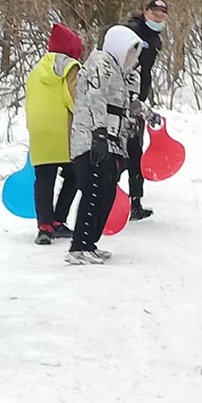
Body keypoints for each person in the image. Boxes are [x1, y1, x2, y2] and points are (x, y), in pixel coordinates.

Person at [66, 25, 152, 265]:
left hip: (112, 142)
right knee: (94, 191)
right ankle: (78, 246)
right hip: (92, 139)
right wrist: (100, 134)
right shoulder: (99, 65)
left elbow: (125, 105)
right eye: (130, 51)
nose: (132, 57)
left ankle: (90, 243)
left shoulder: (117, 72)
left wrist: (146, 114)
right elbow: (95, 100)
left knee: (106, 192)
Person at [25, 23, 83, 245]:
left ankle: (44, 226)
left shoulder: (36, 70)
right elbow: (74, 98)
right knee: (75, 175)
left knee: (44, 178)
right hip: (64, 130)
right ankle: (59, 219)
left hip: (39, 130)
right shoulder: (71, 67)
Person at [124, 0, 167, 220]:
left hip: (140, 95)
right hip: (125, 96)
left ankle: (135, 202)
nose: (158, 17)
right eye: (155, 13)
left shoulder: (155, 36)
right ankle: (119, 200)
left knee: (135, 150)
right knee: (127, 150)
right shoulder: (133, 31)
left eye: (162, 14)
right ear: (145, 12)